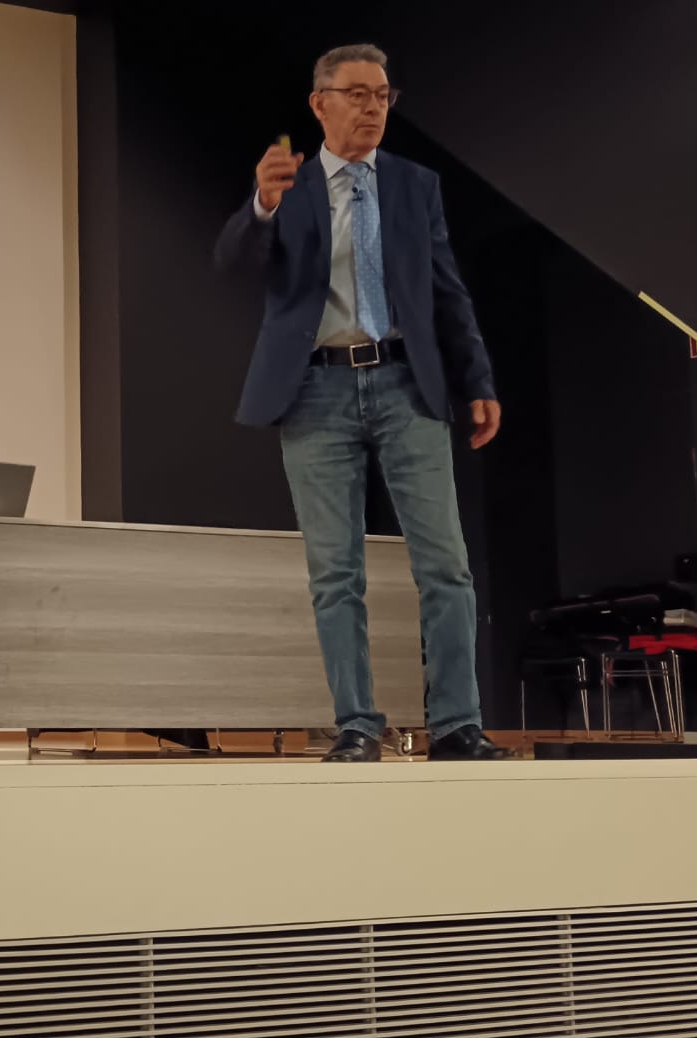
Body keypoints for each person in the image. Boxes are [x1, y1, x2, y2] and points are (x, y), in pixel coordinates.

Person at [214, 44, 508, 763]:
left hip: (407, 383)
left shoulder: (414, 184)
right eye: (357, 94)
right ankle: (356, 724)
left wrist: (478, 381)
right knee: (335, 573)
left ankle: (457, 725)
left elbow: (446, 290)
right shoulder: (289, 185)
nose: (373, 107)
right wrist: (261, 207)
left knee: (446, 565)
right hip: (315, 389)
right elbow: (234, 263)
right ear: (320, 104)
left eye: (382, 95)